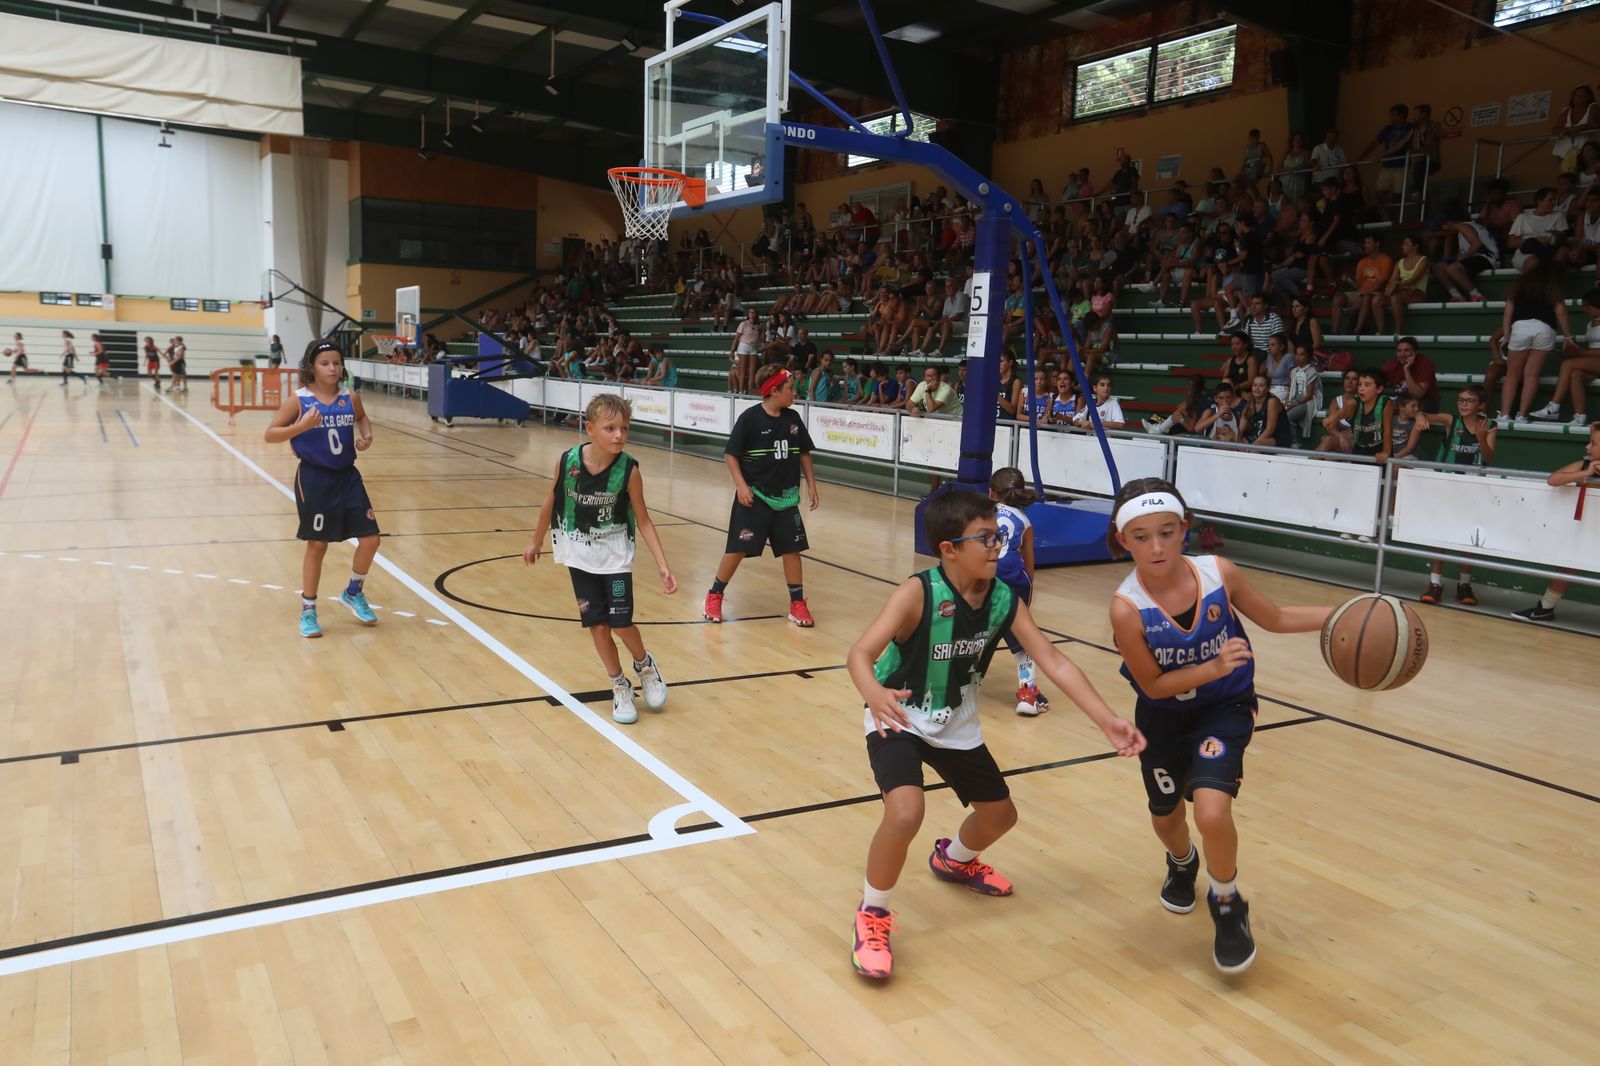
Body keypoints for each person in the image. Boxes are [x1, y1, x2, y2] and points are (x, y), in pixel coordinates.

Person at [847, 490, 1144, 979]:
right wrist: (873, 691)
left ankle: (954, 860)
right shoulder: (917, 593)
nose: (996, 547)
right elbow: (860, 653)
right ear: (949, 548)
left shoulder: (1004, 599)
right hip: (897, 716)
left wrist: (1105, 718)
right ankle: (872, 914)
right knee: (906, 811)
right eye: (985, 539)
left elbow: (1053, 659)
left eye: (998, 537)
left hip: (957, 724)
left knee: (1000, 817)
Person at [1107, 478, 1333, 973]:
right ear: (1123, 540)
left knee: (1212, 813)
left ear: (1185, 530)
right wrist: (1212, 666)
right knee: (1167, 817)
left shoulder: (1218, 573)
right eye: (1142, 536)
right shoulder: (1127, 608)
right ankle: (1182, 863)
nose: (1157, 545)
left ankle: (1227, 902)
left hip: (1224, 709)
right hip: (1163, 716)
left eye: (1167, 532)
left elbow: (1273, 617)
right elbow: (1152, 685)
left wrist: (1345, 614)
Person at [523, 393, 676, 724]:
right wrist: (536, 541)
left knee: (621, 623)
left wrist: (663, 565)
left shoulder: (630, 470)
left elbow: (644, 519)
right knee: (597, 626)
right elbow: (550, 502)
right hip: (579, 555)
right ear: (590, 428)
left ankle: (645, 665)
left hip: (616, 556)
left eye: (624, 428)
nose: (619, 435)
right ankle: (619, 685)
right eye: (610, 428)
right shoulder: (568, 462)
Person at [263, 338, 380, 639]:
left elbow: (362, 418)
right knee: (317, 545)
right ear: (311, 368)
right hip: (315, 479)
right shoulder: (298, 400)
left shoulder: (349, 397)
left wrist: (366, 436)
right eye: (325, 363)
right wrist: (299, 427)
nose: (332, 368)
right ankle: (308, 609)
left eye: (336, 362)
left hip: (347, 477)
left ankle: (354, 592)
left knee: (371, 540)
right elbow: (271, 434)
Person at [704, 365, 820, 627]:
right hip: (755, 496)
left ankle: (797, 604)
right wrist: (741, 486)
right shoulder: (750, 419)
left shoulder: (792, 419)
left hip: (786, 499)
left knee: (792, 550)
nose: (795, 392)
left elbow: (803, 453)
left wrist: (811, 484)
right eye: (790, 388)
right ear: (774, 391)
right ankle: (714, 594)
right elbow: (730, 454)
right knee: (737, 549)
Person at [1511, 422, 1600, 622]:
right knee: (1568, 564)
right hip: (1587, 530)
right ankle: (1545, 608)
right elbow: (1553, 479)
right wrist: (1585, 474)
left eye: (1592, 443)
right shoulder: (1584, 465)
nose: (1587, 447)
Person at [1417, 385, 1497, 606]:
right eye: (1460, 400)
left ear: (1481, 405)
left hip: (1473, 487)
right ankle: (1435, 583)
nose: (1463, 404)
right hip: (1447, 484)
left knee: (1468, 536)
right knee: (1439, 534)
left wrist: (1481, 439)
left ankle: (1464, 584)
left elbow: (1489, 458)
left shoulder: (1489, 425)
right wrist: (1419, 417)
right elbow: (1422, 413)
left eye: (1469, 401)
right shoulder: (1450, 420)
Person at [988, 468, 1050, 716]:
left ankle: (948, 688)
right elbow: (1029, 562)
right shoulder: (1024, 521)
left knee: (970, 635)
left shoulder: (981, 515)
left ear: (990, 492)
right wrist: (1026, 597)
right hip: (1013, 579)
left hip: (983, 575)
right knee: (1024, 641)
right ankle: (1027, 694)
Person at [1501, 256, 1578, 423]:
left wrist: (1506, 337)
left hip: (1520, 327)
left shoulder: (1519, 284)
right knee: (1532, 375)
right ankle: (1521, 415)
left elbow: (1508, 312)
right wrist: (1568, 337)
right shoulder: (1552, 285)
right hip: (1545, 327)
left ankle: (1505, 414)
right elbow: (1561, 311)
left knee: (1512, 375)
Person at [1239, 374, 1286, 448]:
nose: (1257, 388)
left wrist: (1253, 445)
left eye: (1261, 386)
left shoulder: (1272, 401)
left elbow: (1270, 430)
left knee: (1257, 446)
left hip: (1276, 438)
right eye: (1255, 385)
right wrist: (1237, 440)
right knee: (1238, 441)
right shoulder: (1251, 401)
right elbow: (1240, 428)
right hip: (1257, 436)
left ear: (1268, 388)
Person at [729, 308, 761, 394]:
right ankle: (741, 390)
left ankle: (749, 390)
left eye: (753, 312)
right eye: (750, 312)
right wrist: (732, 350)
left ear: (756, 314)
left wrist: (763, 331)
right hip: (743, 346)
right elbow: (737, 337)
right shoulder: (744, 323)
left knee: (752, 370)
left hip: (753, 347)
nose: (751, 313)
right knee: (742, 370)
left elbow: (760, 338)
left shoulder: (758, 326)